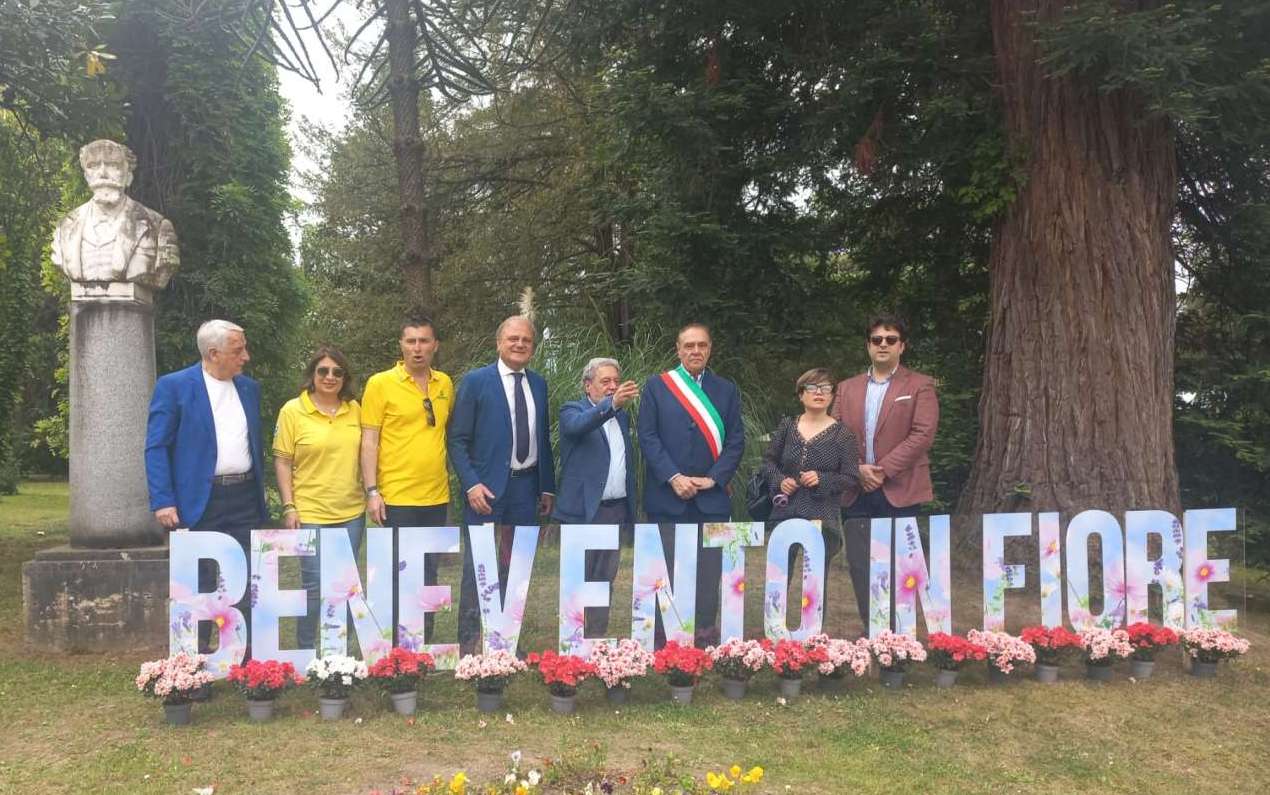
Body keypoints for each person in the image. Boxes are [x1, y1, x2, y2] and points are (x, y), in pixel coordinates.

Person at [145, 319, 268, 658]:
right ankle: (193, 665)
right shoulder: (174, 387)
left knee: (245, 583)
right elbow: (156, 446)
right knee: (198, 586)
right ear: (213, 353)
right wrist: (163, 500)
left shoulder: (249, 388)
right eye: (238, 350)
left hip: (244, 498)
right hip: (196, 502)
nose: (246, 356)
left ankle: (248, 666)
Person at [448, 315, 556, 654]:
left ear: (533, 346)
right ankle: (469, 644)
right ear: (499, 343)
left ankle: (506, 642)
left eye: (526, 339)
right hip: (486, 491)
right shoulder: (476, 382)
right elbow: (457, 440)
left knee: (517, 567)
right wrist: (471, 485)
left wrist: (547, 487)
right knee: (478, 567)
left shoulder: (538, 384)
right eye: (513, 338)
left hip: (526, 490)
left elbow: (543, 439)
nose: (519, 344)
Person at [636, 322, 745, 646]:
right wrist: (673, 477)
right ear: (678, 349)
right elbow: (648, 436)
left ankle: (704, 634)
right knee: (665, 570)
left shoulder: (727, 390)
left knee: (709, 572)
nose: (695, 351)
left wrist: (715, 478)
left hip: (710, 498)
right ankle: (663, 638)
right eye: (689, 346)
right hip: (667, 496)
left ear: (710, 349)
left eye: (702, 345)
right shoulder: (657, 387)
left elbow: (736, 441)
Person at [830, 314, 939, 631]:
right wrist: (856, 469)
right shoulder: (846, 388)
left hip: (900, 488)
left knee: (900, 565)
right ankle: (872, 628)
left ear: (901, 346)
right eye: (877, 339)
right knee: (861, 565)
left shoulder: (920, 385)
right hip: (856, 489)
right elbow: (834, 434)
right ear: (868, 346)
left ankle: (901, 632)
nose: (883, 345)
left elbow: (923, 434)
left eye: (890, 340)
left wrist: (883, 470)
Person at [360, 315, 454, 642]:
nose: (418, 348)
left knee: (429, 573)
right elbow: (369, 440)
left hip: (436, 496)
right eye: (411, 341)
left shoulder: (445, 383)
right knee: (400, 573)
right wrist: (372, 490)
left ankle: (423, 642)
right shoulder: (380, 383)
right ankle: (399, 647)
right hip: (396, 497)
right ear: (401, 345)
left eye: (424, 341)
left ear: (435, 346)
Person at [273, 347, 365, 652]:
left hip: (351, 512)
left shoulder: (356, 410)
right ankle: (305, 649)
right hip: (310, 511)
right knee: (313, 586)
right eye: (323, 371)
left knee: (345, 585)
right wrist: (289, 506)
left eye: (337, 372)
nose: (330, 377)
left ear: (345, 377)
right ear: (312, 374)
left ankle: (339, 651)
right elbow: (283, 461)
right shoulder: (292, 411)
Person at [760, 368, 859, 626]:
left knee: (815, 581)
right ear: (801, 395)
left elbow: (850, 477)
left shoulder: (843, 435)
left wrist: (823, 479)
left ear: (833, 396)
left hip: (822, 516)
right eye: (812, 388)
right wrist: (780, 480)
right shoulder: (787, 428)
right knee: (779, 576)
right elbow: (768, 463)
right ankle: (775, 631)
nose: (819, 393)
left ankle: (813, 637)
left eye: (826, 388)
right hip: (786, 513)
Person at [553, 357, 639, 636]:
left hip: (614, 510)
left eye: (616, 380)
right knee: (578, 578)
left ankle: (596, 637)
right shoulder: (572, 410)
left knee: (604, 580)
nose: (613, 386)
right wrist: (611, 405)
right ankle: (573, 640)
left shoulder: (622, 416)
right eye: (606, 381)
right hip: (583, 511)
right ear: (588, 385)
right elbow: (577, 427)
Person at [52, 139, 178, 291]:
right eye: (93, 166)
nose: (103, 173)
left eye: (113, 165)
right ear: (86, 175)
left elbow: (163, 270)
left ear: (129, 174)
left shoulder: (156, 226)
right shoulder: (65, 227)